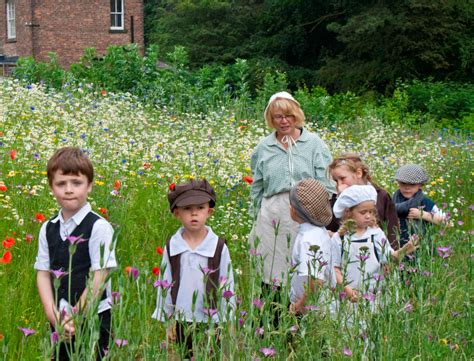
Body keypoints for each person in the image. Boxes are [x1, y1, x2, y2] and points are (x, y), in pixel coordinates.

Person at [34, 147, 117, 360]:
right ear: (52, 187)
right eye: (61, 184)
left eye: (76, 183)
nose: (68, 189)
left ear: (89, 186)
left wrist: (74, 315)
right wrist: (53, 314)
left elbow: (100, 275)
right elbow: (43, 273)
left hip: (93, 316)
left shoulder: (99, 227)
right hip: (59, 317)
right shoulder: (48, 228)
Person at [250, 91, 335, 294]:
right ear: (271, 119)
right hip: (273, 214)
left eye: (288, 115)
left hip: (306, 213)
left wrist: (317, 211)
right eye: (278, 117)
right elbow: (257, 187)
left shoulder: (314, 144)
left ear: (296, 115)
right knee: (272, 268)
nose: (284, 121)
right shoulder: (264, 147)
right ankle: (273, 316)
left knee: (306, 265)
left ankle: (302, 310)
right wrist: (255, 218)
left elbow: (327, 183)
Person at [152, 179, 235, 358]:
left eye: (200, 208)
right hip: (182, 319)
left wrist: (226, 319)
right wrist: (168, 320)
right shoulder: (172, 247)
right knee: (186, 356)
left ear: (209, 211)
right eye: (187, 209)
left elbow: (227, 283)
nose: (194, 213)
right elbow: (164, 283)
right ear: (177, 213)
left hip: (211, 319)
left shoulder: (218, 247)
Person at [331, 185, 416, 305]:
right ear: (348, 212)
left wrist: (404, 250)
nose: (368, 216)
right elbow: (335, 268)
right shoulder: (339, 238)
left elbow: (389, 258)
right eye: (363, 212)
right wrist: (346, 289)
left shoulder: (376, 234)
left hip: (375, 296)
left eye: (371, 212)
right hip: (350, 297)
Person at [328, 152, 400, 249]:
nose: (339, 184)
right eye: (336, 181)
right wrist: (341, 199)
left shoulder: (380, 196)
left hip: (377, 252)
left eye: (342, 178)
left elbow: (391, 229)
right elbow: (333, 226)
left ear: (358, 173)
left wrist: (391, 257)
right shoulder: (338, 198)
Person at [288, 179, 335, 315]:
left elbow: (315, 280)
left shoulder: (308, 240)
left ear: (296, 211)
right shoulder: (319, 231)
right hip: (319, 303)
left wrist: (301, 305)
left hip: (312, 308)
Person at [393, 164, 446, 248]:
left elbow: (446, 223)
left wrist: (423, 215)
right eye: (403, 183)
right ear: (398, 183)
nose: (407, 187)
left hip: (421, 248)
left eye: (412, 185)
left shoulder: (426, 203)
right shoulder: (392, 202)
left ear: (421, 185)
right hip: (397, 248)